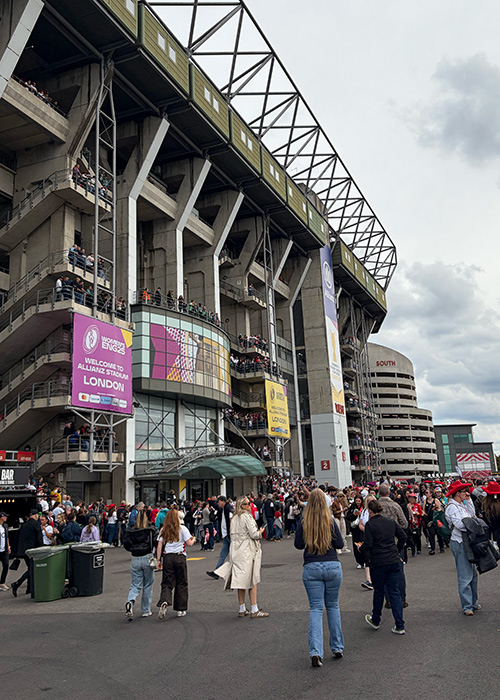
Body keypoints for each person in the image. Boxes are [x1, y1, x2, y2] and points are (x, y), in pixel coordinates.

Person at [294, 488, 344, 667]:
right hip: (331, 564)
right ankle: (337, 646)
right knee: (333, 606)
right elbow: (340, 543)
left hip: (311, 565)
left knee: (315, 609)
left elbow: (298, 545)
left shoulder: (304, 521)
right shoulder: (330, 521)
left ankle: (316, 651)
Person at [214, 496, 269, 618]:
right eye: (247, 503)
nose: (249, 505)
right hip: (247, 551)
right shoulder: (247, 517)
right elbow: (254, 534)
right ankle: (254, 608)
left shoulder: (234, 518)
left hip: (236, 551)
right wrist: (260, 532)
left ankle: (242, 608)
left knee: (240, 581)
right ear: (242, 505)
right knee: (252, 580)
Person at [360, 499, 406, 635]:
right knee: (394, 592)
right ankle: (399, 624)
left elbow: (368, 544)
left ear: (370, 511)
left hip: (378, 561)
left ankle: (376, 620)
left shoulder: (370, 525)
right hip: (393, 559)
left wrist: (361, 549)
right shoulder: (390, 522)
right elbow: (403, 536)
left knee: (379, 592)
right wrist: (396, 551)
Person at [445, 481, 480, 615]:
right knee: (465, 574)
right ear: (457, 493)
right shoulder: (452, 507)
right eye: (464, 491)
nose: (467, 493)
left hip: (467, 541)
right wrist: (473, 524)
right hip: (459, 541)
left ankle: (473, 602)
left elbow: (472, 513)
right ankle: (467, 606)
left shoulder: (461, 504)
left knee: (472, 573)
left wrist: (469, 500)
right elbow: (459, 524)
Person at [156, 509, 196, 619]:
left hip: (167, 556)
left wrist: (158, 560)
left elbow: (159, 545)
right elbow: (189, 543)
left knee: (167, 581)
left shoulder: (164, 529)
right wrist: (194, 539)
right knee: (181, 582)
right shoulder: (182, 528)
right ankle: (181, 609)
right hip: (179, 556)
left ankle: (165, 600)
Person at [122, 511, 157, 621]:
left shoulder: (131, 530)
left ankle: (130, 602)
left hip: (135, 557)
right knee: (147, 584)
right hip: (147, 556)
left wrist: (132, 549)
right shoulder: (151, 529)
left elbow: (126, 544)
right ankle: (145, 610)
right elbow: (156, 541)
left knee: (135, 584)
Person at [11, 509, 43, 597]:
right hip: (33, 550)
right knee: (32, 569)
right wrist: (42, 547)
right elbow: (39, 538)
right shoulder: (36, 524)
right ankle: (17, 583)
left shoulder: (24, 525)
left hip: (24, 551)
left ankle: (29, 588)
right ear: (36, 515)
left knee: (30, 568)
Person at [207, 496, 233, 580]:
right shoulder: (224, 508)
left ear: (222, 501)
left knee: (229, 553)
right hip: (226, 534)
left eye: (219, 502)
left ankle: (218, 571)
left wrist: (230, 532)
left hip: (228, 534)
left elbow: (231, 519)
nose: (218, 504)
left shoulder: (227, 508)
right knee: (224, 553)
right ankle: (217, 571)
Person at [0, 512, 10, 591]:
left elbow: (6, 537)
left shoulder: (5, 526)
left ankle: (2, 582)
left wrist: (8, 546)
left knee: (6, 565)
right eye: (4, 516)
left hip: (4, 549)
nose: (6, 518)